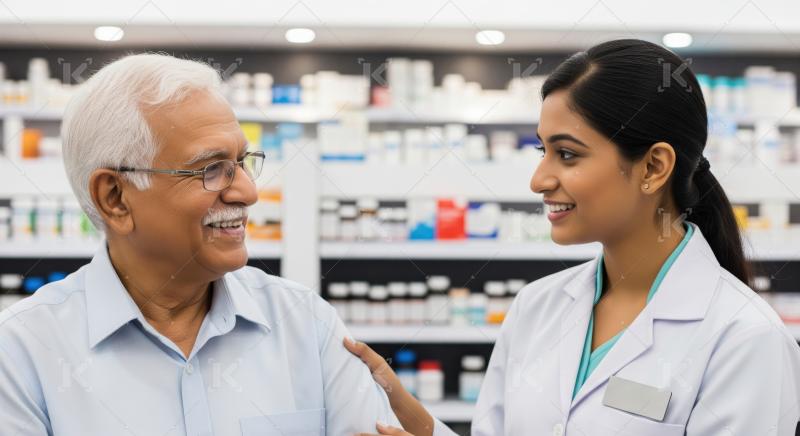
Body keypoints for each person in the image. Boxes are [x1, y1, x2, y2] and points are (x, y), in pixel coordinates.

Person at [347, 39, 800, 436]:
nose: (538, 180)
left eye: (566, 154)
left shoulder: (744, 338)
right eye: (542, 150)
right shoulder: (536, 307)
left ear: (653, 167)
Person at [0, 53, 398, 435]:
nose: (248, 192)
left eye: (243, 162)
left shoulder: (305, 322)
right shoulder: (22, 352)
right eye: (211, 169)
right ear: (115, 198)